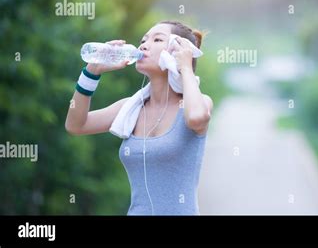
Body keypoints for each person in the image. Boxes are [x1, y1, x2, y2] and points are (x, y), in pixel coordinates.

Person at [65, 20, 213, 215]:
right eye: (143, 40)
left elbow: (196, 118)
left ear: (176, 51)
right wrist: (91, 72)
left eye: (157, 39)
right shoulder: (131, 108)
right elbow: (76, 125)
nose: (143, 45)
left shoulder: (198, 103)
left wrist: (185, 66)